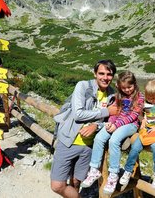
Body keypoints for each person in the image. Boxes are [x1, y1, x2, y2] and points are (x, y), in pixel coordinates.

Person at [50, 59, 119, 198]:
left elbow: (111, 121)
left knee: (76, 182)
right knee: (57, 185)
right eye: (101, 73)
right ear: (95, 74)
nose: (105, 78)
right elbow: (78, 114)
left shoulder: (113, 94)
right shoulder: (82, 86)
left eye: (109, 74)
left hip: (89, 147)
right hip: (68, 141)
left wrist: (96, 125)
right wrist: (106, 112)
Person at [81, 70, 144, 195]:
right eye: (123, 88)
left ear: (135, 84)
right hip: (116, 123)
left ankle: (113, 174)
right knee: (99, 137)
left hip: (131, 125)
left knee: (114, 140)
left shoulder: (139, 97)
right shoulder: (118, 96)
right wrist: (110, 122)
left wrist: (117, 125)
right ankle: (94, 169)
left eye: (129, 87)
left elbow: (134, 115)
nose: (127, 90)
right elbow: (115, 112)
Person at [120, 79, 155, 189]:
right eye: (150, 97)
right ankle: (128, 170)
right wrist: (142, 119)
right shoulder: (145, 104)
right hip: (146, 132)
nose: (153, 100)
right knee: (135, 147)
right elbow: (139, 114)